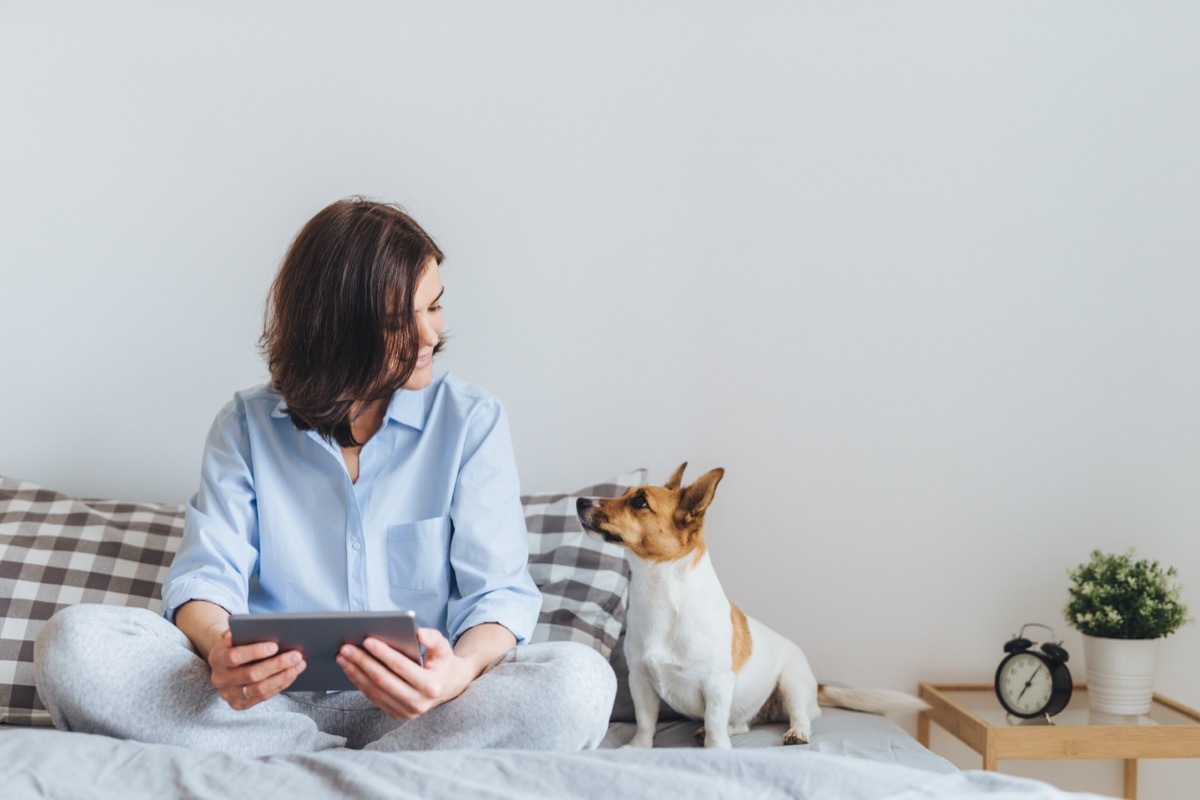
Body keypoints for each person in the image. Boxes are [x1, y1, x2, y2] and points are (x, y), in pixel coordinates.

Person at [34, 197, 616, 755]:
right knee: (73, 646)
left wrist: (456, 674)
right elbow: (206, 579)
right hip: (262, 708)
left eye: (434, 305)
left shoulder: (471, 421)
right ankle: (347, 764)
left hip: (426, 711)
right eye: (397, 320)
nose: (430, 335)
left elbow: (499, 594)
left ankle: (303, 767)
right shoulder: (245, 426)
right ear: (332, 329)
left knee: (581, 683)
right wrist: (221, 650)